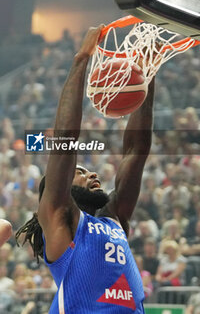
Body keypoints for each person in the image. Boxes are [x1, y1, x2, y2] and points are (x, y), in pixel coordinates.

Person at [16, 25, 155, 313]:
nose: (92, 174)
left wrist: (145, 79)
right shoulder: (60, 221)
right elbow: (66, 139)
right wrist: (82, 58)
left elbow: (136, 151)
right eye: (79, 171)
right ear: (61, 186)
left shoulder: (114, 218)